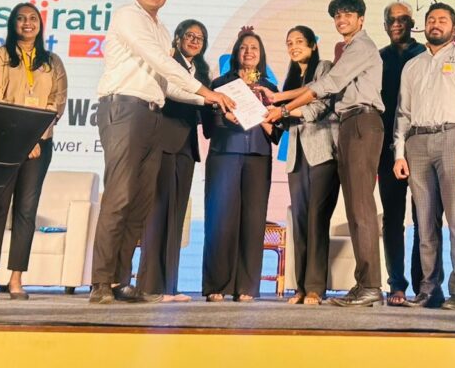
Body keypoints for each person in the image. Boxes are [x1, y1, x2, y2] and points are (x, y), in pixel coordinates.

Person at [90, 0, 233, 305]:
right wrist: (206, 90)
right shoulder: (128, 16)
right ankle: (100, 283)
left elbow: (168, 84)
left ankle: (121, 281)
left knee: (140, 203)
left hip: (153, 114)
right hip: (125, 109)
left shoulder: (162, 28)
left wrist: (209, 99)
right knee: (119, 196)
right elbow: (158, 61)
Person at [265, 0, 385, 307]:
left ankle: (370, 285)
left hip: (361, 120)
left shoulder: (360, 47)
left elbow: (327, 86)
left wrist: (283, 106)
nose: (342, 20)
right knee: (355, 210)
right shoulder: (349, 49)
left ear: (361, 18)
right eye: (337, 16)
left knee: (361, 209)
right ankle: (364, 284)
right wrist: (278, 102)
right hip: (349, 124)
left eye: (348, 14)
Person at [392, 3, 455, 311]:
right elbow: (403, 113)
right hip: (417, 142)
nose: (435, 24)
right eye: (431, 19)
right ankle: (429, 289)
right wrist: (399, 153)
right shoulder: (412, 65)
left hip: (452, 138)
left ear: (454, 28)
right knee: (424, 223)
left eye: (443, 20)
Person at [0, 2, 68, 300]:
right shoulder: (1, 56)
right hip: (4, 143)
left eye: (33, 18)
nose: (27, 23)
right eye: (20, 18)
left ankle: (16, 279)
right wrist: (19, 139)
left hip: (40, 145)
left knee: (26, 212)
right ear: (12, 24)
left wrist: (33, 138)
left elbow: (57, 102)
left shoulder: (52, 61)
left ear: (40, 24)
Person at [202, 30, 280, 303]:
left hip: (258, 156)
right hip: (224, 154)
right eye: (244, 47)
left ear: (261, 55)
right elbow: (209, 127)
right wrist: (226, 118)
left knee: (253, 221)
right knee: (220, 220)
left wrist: (264, 117)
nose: (249, 52)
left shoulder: (270, 88)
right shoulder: (220, 84)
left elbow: (278, 132)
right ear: (235, 53)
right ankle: (217, 285)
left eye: (254, 48)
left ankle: (247, 286)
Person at [135, 19, 210, 302]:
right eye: (189, 35)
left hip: (187, 148)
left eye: (200, 38)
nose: (194, 41)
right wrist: (210, 99)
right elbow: (170, 92)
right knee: (156, 215)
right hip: (163, 144)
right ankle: (149, 286)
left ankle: (169, 286)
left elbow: (206, 110)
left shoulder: (201, 72)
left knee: (176, 217)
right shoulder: (168, 62)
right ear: (177, 38)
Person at [276, 26, 339, 306]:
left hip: (322, 153)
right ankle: (299, 287)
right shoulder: (290, 78)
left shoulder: (324, 67)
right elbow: (284, 119)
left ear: (313, 45)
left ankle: (315, 288)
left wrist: (283, 109)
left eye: (299, 41)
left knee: (317, 220)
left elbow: (319, 107)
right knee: (299, 221)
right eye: (289, 43)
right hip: (296, 155)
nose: (294, 46)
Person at [377, 2, 426, 306]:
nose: (396, 24)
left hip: (421, 145)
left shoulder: (425, 55)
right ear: (385, 25)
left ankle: (423, 284)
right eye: (391, 20)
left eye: (402, 19)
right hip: (386, 149)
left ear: (411, 23)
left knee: (424, 218)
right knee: (392, 219)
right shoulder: (378, 58)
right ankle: (397, 284)